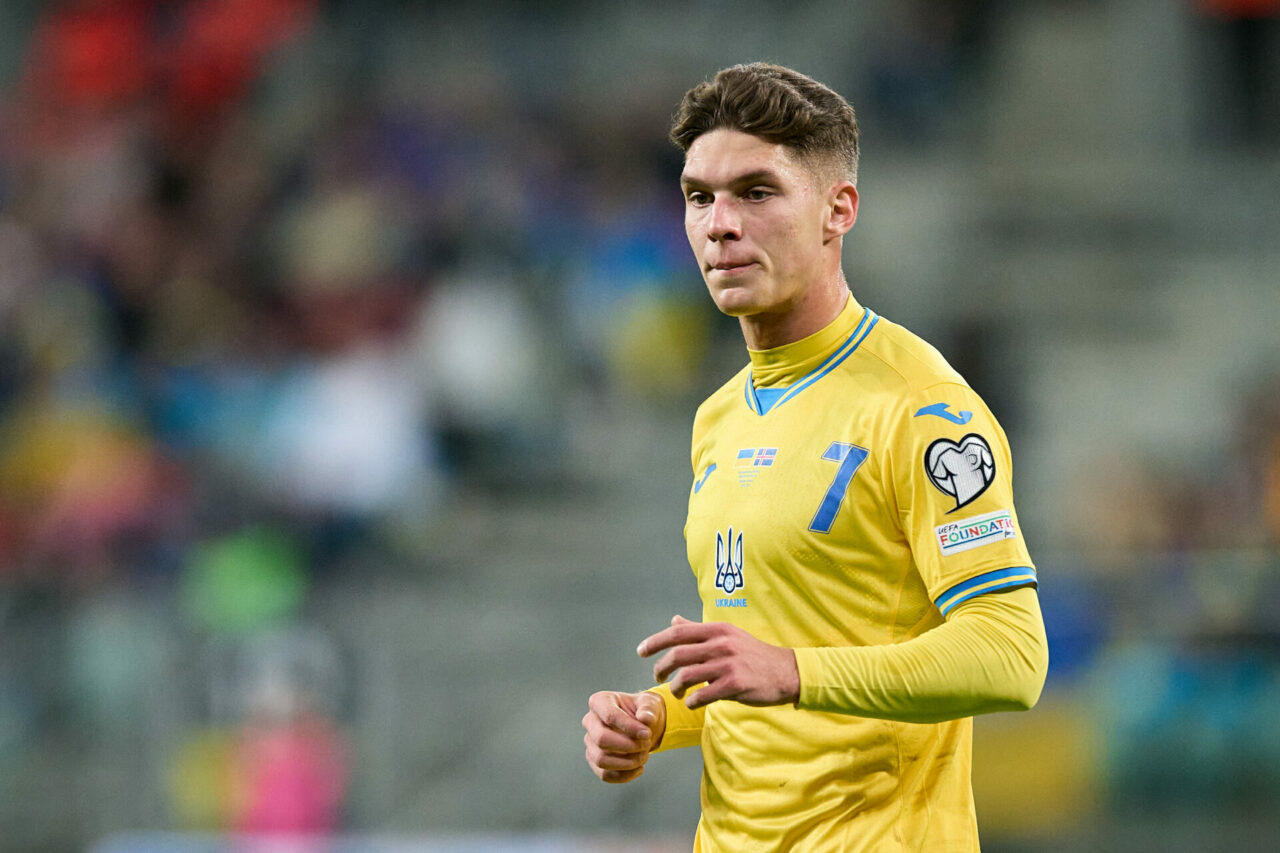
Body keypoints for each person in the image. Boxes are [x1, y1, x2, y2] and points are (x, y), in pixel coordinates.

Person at [582, 63, 1049, 852]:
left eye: (756, 193)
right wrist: (659, 719)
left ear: (840, 209)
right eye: (700, 196)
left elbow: (1011, 653)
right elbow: (767, 663)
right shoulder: (719, 417)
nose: (720, 224)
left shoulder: (920, 408)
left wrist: (794, 670)